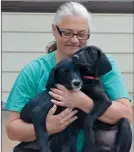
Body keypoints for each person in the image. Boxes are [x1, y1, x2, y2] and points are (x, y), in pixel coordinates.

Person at [5, 2, 132, 152]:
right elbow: (12, 130)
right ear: (54, 30)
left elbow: (126, 114)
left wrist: (82, 102)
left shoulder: (101, 64)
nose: (75, 40)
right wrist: (49, 127)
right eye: (67, 32)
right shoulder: (34, 70)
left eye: (81, 34)